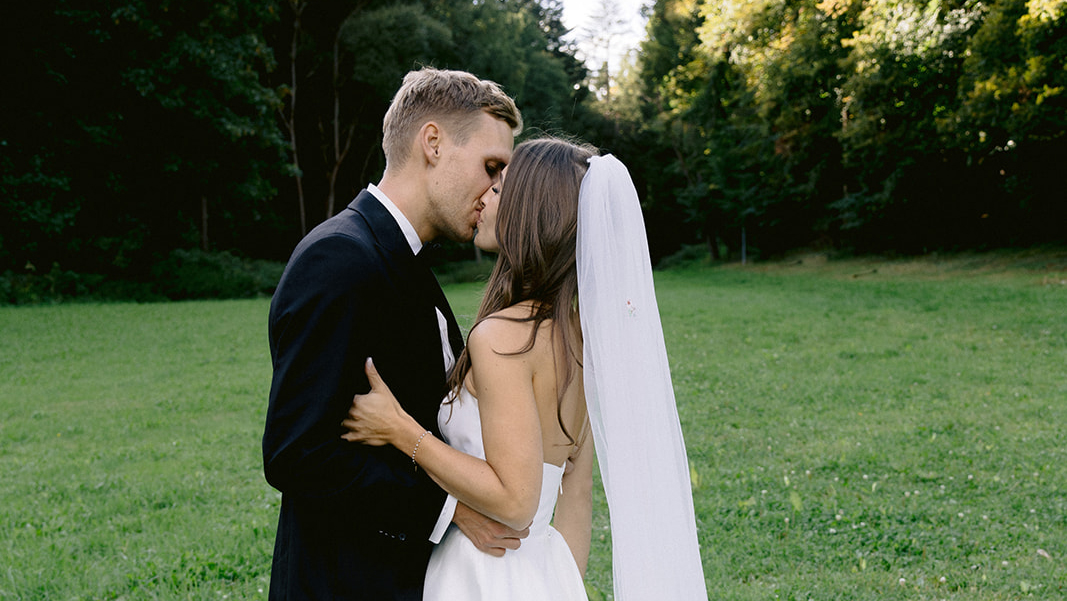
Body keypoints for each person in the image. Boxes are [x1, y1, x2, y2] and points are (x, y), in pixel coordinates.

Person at [342, 137, 709, 600]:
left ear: (529, 214)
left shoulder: (503, 339)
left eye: (499, 189)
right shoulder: (582, 341)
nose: (484, 195)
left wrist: (402, 431)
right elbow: (576, 494)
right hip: (545, 573)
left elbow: (516, 501)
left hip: (481, 576)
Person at [263, 67, 525, 600]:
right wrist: (448, 509)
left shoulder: (406, 259)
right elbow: (297, 452)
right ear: (433, 143)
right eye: (491, 166)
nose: (498, 189)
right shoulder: (339, 258)